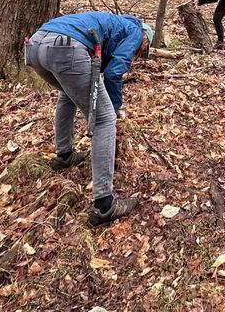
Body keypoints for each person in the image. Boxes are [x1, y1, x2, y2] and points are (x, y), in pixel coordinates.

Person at [24, 11, 152, 225]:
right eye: (143, 51)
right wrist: (116, 107)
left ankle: (64, 154)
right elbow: (113, 72)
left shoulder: (115, 25)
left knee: (67, 93)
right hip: (65, 48)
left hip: (35, 46)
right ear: (146, 40)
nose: (140, 54)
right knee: (105, 119)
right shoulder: (136, 32)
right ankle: (104, 205)